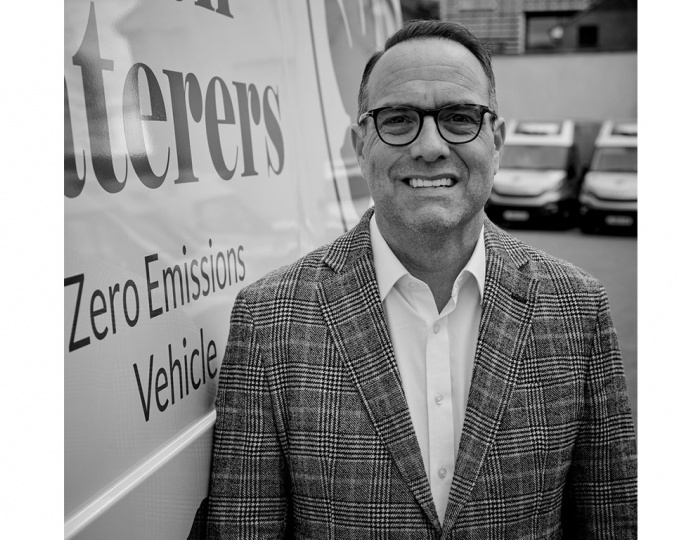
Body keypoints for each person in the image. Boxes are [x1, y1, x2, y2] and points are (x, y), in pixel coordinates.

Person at [207, 20, 636, 539]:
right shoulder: (268, 321)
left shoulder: (578, 309)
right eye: (398, 119)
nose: (430, 146)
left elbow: (613, 520)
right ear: (360, 144)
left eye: (459, 118)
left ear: (496, 141)